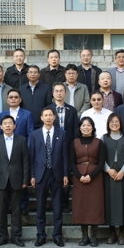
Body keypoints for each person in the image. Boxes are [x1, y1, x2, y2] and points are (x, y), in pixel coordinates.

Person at [30, 108, 68, 247]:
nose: (48, 117)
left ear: (54, 117)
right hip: (41, 173)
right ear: (41, 118)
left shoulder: (62, 133)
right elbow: (32, 156)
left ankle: (57, 236)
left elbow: (65, 156)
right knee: (40, 207)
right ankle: (41, 236)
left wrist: (65, 174)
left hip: (57, 173)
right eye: (45, 115)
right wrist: (32, 175)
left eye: (50, 115)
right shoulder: (34, 134)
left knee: (57, 207)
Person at [0, 115, 29, 247]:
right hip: (0, 179)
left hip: (17, 179)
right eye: (5, 123)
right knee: (1, 210)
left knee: (16, 210)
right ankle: (2, 236)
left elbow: (25, 161)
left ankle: (16, 236)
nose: (7, 125)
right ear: (0, 126)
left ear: (14, 126)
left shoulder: (21, 140)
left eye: (10, 123)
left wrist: (25, 179)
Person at [71, 117, 105, 247]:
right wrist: (79, 176)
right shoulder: (74, 142)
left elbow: (101, 162)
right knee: (82, 206)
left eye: (88, 125)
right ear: (80, 128)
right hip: (79, 178)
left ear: (92, 127)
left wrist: (91, 175)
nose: (86, 127)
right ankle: (84, 236)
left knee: (95, 206)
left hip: (95, 177)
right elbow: (71, 162)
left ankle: (94, 236)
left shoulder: (99, 142)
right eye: (83, 125)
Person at [45, 83, 80, 214]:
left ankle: (64, 204)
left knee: (66, 175)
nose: (59, 93)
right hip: (51, 146)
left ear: (65, 93)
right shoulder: (48, 109)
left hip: (68, 147)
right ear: (53, 93)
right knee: (51, 175)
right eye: (56, 91)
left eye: (61, 91)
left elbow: (75, 129)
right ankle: (53, 203)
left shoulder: (72, 110)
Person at [101, 113, 124, 245]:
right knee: (110, 202)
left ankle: (121, 233)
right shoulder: (104, 138)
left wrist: (123, 171)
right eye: (112, 122)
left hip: (123, 174)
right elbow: (100, 157)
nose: (114, 124)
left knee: (123, 203)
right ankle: (112, 233)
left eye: (117, 121)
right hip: (109, 174)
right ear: (108, 124)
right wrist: (108, 169)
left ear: (121, 123)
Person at [19, 65, 52, 129]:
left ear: (39, 74)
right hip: (25, 123)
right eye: (30, 72)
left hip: (41, 124)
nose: (33, 74)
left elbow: (49, 105)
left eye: (35, 72)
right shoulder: (22, 89)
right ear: (27, 74)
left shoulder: (46, 88)